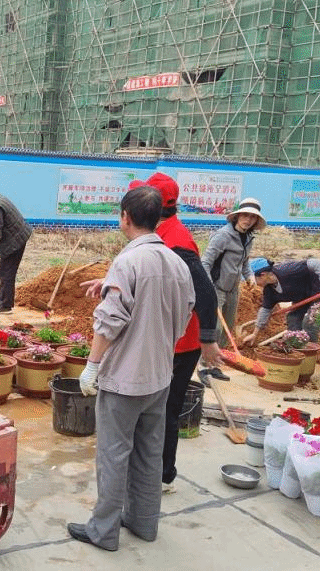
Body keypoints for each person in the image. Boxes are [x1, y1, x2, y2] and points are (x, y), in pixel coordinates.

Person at [66, 185, 194, 552]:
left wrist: (91, 367)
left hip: (124, 380)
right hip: (159, 377)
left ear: (125, 217)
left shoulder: (128, 262)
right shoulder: (175, 262)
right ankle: (144, 522)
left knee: (113, 454)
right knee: (149, 454)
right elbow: (186, 311)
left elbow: (109, 321)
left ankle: (103, 531)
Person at [135, 173, 221, 494]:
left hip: (180, 344)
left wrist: (208, 339)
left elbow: (206, 293)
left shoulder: (178, 242)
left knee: (165, 410)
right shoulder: (160, 233)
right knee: (156, 408)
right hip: (168, 338)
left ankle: (163, 476)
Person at [200, 197, 265, 380]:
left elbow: (244, 262)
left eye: (252, 217)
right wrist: (208, 287)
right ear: (237, 216)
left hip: (233, 289)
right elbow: (205, 262)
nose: (248, 220)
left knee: (227, 328)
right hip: (216, 287)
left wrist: (249, 276)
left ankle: (214, 366)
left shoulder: (248, 238)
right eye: (245, 215)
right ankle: (203, 367)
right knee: (215, 328)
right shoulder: (223, 236)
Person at [242, 257, 320, 345]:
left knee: (309, 321)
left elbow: (315, 263)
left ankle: (310, 349)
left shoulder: (286, 270)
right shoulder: (269, 290)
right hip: (302, 298)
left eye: (252, 280)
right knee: (293, 318)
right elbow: (265, 310)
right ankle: (297, 345)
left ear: (262, 275)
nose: (253, 284)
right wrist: (254, 334)